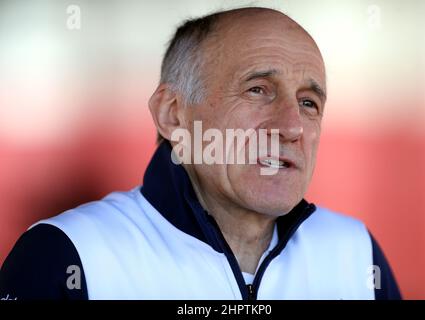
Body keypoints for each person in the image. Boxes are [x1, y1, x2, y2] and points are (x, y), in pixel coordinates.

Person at [0, 7, 401, 300]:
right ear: (173, 115)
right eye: (258, 90)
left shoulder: (354, 253)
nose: (293, 127)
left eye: (309, 103)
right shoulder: (69, 253)